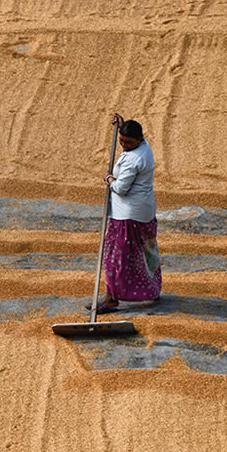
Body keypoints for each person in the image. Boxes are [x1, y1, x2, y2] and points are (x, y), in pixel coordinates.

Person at [90, 113, 161, 313]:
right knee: (144, 253)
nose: (124, 145)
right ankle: (151, 290)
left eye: (128, 142)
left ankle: (112, 298)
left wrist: (109, 179)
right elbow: (129, 135)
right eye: (121, 141)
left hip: (128, 216)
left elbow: (121, 188)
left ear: (139, 139)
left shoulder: (135, 160)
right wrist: (121, 126)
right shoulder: (144, 147)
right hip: (143, 212)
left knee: (115, 258)